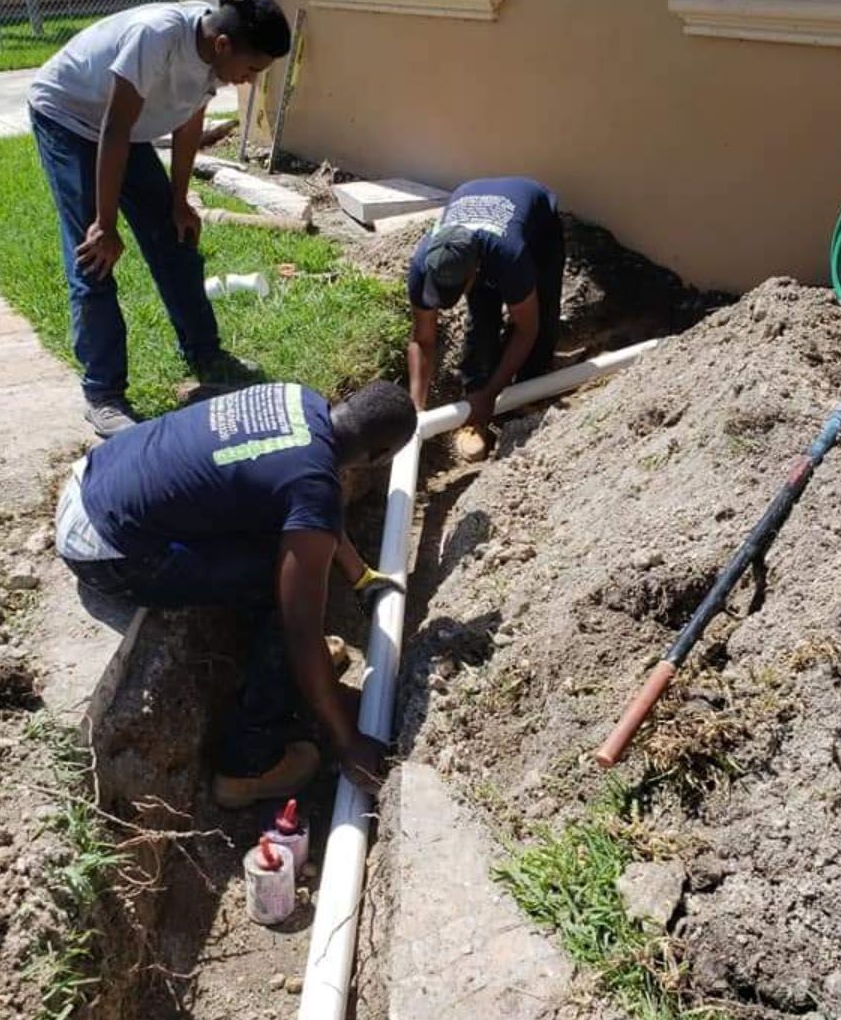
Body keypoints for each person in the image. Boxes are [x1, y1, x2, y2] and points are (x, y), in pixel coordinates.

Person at [55, 378, 416, 807]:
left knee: (291, 550)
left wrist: (359, 576)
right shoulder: (313, 483)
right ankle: (249, 763)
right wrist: (348, 741)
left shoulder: (298, 400)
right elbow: (298, 625)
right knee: (282, 587)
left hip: (93, 482)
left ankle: (290, 685)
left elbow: (316, 497)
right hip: (106, 550)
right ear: (378, 458)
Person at [28, 0, 292, 438]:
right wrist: (104, 224)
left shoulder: (211, 55)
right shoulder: (157, 38)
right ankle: (103, 394)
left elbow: (187, 125)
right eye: (251, 71)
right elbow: (112, 129)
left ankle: (205, 354)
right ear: (224, 44)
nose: (247, 82)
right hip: (71, 118)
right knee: (94, 258)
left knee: (175, 238)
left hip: (122, 131)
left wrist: (178, 202)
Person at [407, 177, 566, 450]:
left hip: (539, 227)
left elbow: (527, 329)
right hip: (471, 200)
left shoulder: (510, 256)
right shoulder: (423, 264)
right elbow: (422, 340)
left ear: (474, 271)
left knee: (542, 311)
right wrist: (415, 407)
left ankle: (529, 392)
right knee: (482, 318)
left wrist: (493, 393)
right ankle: (475, 402)